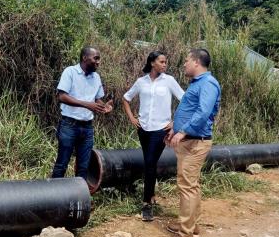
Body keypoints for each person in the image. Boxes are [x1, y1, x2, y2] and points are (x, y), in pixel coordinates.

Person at [162, 48, 221, 237]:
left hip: (196, 142)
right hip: (190, 140)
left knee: (186, 186)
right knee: (191, 185)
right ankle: (191, 226)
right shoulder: (198, 83)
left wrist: (183, 131)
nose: (184, 64)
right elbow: (190, 111)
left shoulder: (208, 84)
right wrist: (174, 128)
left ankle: (185, 235)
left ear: (196, 62)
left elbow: (203, 112)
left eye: (187, 60)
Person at [122, 51, 184, 221]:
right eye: (162, 61)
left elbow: (185, 100)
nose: (165, 64)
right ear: (152, 63)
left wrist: (174, 122)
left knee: (149, 163)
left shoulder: (169, 81)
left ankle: (146, 204)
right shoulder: (141, 82)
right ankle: (152, 195)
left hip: (160, 130)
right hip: (143, 129)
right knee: (151, 163)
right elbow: (126, 98)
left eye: (166, 62)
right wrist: (132, 118)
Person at [51, 46, 113, 181]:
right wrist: (87, 104)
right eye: (95, 58)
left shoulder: (96, 77)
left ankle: (79, 199)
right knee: (62, 164)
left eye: (99, 59)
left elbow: (97, 99)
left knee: (84, 166)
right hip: (69, 125)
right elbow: (62, 96)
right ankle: (54, 198)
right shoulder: (70, 72)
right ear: (85, 58)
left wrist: (104, 107)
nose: (98, 62)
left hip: (87, 128)